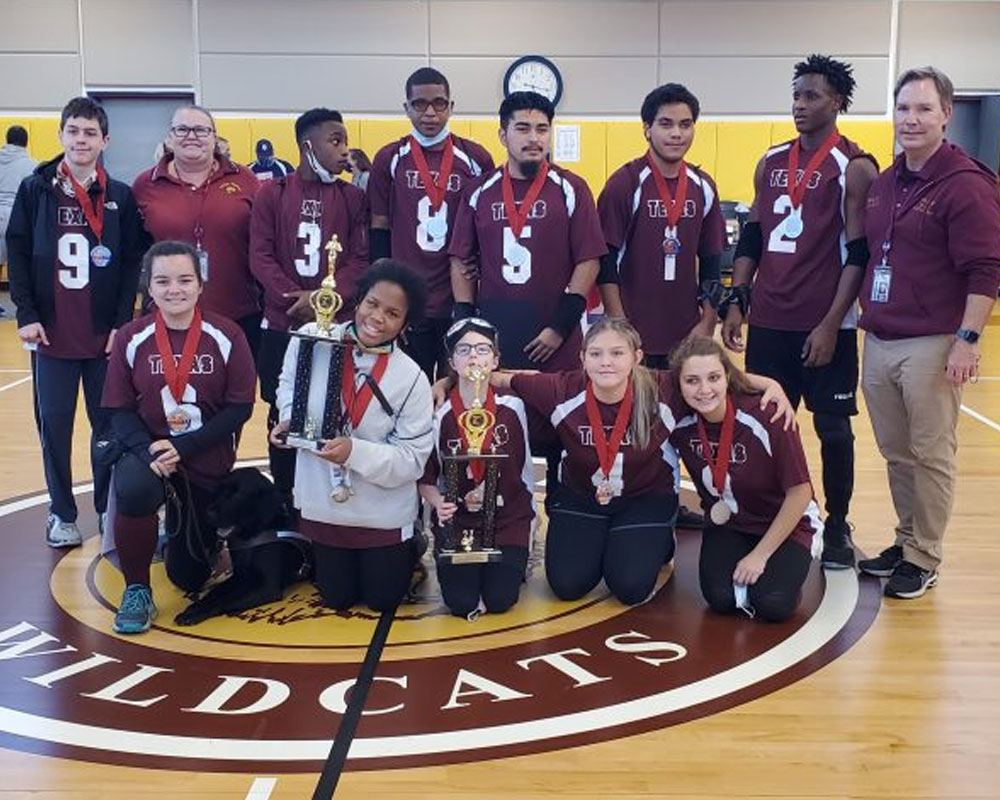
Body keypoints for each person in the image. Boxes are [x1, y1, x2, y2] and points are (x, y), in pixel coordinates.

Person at [490, 318, 794, 606]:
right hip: (582, 497)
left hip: (645, 497)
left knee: (630, 587)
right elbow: (503, 378)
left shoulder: (663, 387)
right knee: (568, 586)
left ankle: (659, 540)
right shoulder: (561, 389)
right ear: (582, 358)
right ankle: (603, 541)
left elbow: (713, 374)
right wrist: (444, 385)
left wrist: (771, 385)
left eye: (617, 353)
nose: (606, 362)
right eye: (596, 353)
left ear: (637, 357)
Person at [721, 54, 878, 571]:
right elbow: (754, 234)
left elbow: (858, 252)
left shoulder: (854, 166)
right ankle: (774, 515)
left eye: (811, 96)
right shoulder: (769, 161)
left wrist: (833, 323)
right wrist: (738, 298)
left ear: (837, 102)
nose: (800, 105)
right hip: (769, 321)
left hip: (823, 323)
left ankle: (836, 523)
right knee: (765, 429)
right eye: (796, 95)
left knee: (833, 430)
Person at [857, 67, 1000, 598]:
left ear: (946, 114)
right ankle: (906, 539)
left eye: (923, 109)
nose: (911, 119)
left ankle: (925, 555)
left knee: (931, 452)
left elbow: (986, 268)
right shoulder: (887, 182)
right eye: (903, 108)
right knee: (897, 453)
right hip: (880, 338)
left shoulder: (967, 185)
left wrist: (967, 340)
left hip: (934, 341)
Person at [6, 97, 147, 547]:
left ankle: (106, 508)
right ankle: (61, 512)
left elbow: (129, 264)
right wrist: (25, 315)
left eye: (90, 132)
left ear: (105, 140)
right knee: (54, 428)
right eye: (73, 131)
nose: (81, 140)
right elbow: (20, 255)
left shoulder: (120, 196)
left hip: (102, 337)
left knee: (108, 429)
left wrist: (121, 325)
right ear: (61, 135)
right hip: (50, 336)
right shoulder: (36, 188)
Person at [101, 240, 256, 633]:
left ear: (201, 284)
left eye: (185, 279)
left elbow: (240, 408)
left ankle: (187, 537)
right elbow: (118, 410)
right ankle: (137, 590)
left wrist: (184, 446)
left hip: (204, 457)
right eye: (163, 281)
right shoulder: (130, 338)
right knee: (134, 489)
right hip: (151, 454)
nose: (175, 289)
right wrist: (148, 449)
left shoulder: (227, 334)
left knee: (189, 578)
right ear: (148, 288)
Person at [271, 260, 433, 613]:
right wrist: (290, 420)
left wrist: (353, 452)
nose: (377, 317)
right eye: (372, 303)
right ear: (357, 300)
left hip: (383, 515)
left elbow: (412, 460)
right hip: (324, 506)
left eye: (392, 313)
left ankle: (411, 544)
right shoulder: (312, 338)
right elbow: (287, 384)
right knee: (337, 598)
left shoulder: (412, 377)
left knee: (383, 599)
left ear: (405, 323)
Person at [251, 107, 369, 512]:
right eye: (335, 141)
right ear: (307, 145)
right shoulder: (272, 194)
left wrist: (323, 300)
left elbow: (360, 259)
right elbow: (260, 257)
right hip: (281, 325)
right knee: (283, 409)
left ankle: (334, 497)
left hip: (336, 325)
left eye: (345, 141)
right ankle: (286, 500)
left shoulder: (353, 197)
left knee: (337, 407)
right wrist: (294, 299)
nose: (344, 151)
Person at [450, 91, 605, 374]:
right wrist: (465, 323)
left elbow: (589, 260)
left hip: (555, 333)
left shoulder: (572, 188)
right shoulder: (478, 191)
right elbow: (460, 258)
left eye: (542, 129)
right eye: (522, 128)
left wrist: (560, 327)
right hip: (493, 332)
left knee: (555, 414)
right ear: (502, 135)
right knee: (496, 415)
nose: (534, 138)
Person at [669, 335, 821, 622]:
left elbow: (800, 493)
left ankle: (785, 563)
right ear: (679, 384)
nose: (704, 390)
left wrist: (760, 556)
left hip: (788, 521)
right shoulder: (680, 418)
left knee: (772, 604)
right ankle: (751, 555)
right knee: (721, 599)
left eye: (714, 377)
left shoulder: (768, 415)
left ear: (728, 376)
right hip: (732, 520)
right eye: (692, 381)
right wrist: (769, 380)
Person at [369, 67, 494, 380]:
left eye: (439, 103)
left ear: (451, 106)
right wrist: (385, 292)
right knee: (410, 385)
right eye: (419, 104)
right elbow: (379, 225)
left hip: (458, 295)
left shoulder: (476, 158)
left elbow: (486, 225)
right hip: (409, 297)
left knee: (458, 385)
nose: (429, 113)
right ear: (406, 108)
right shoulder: (390, 158)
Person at [597, 83, 726, 364]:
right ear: (647, 129)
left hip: (688, 334)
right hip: (634, 333)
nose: (676, 133)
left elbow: (711, 260)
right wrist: (619, 324)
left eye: (685, 124)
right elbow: (605, 262)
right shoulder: (625, 183)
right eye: (666, 124)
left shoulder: (703, 186)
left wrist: (708, 322)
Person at [419, 318, 534, 618]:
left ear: (495, 360)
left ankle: (519, 556)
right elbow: (424, 474)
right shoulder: (438, 412)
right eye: (464, 349)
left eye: (483, 349)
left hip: (508, 519)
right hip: (458, 522)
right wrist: (437, 503)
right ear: (451, 361)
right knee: (461, 603)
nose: (473, 356)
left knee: (499, 599)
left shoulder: (515, 407)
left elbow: (542, 378)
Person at [132, 105, 262, 354]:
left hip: (238, 314)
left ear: (215, 138)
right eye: (182, 129)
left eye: (201, 130)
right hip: (168, 314)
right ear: (169, 138)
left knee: (235, 392)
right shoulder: (144, 185)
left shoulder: (245, 180)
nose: (191, 136)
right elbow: (133, 252)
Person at [0, 125, 37, 267]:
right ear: (26, 143)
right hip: (17, 218)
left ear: (7, 140)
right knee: (17, 266)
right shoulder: (32, 166)